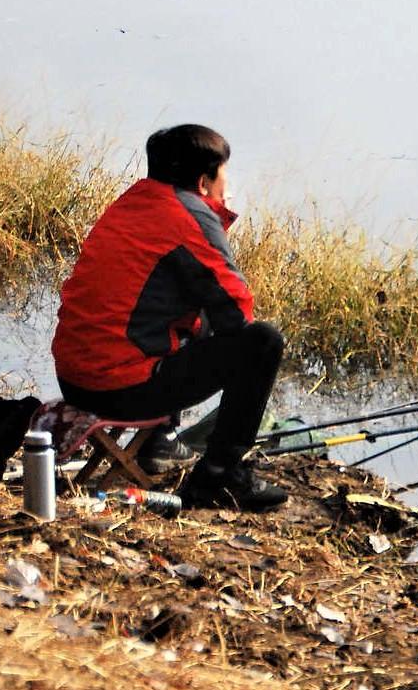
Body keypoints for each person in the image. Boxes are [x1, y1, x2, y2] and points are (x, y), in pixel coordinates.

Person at [51, 124, 288, 510]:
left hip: (75, 379)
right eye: (223, 173)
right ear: (203, 180)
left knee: (188, 309)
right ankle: (220, 476)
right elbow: (236, 313)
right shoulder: (189, 216)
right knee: (262, 343)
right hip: (120, 390)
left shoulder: (130, 203)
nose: (227, 183)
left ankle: (161, 439)